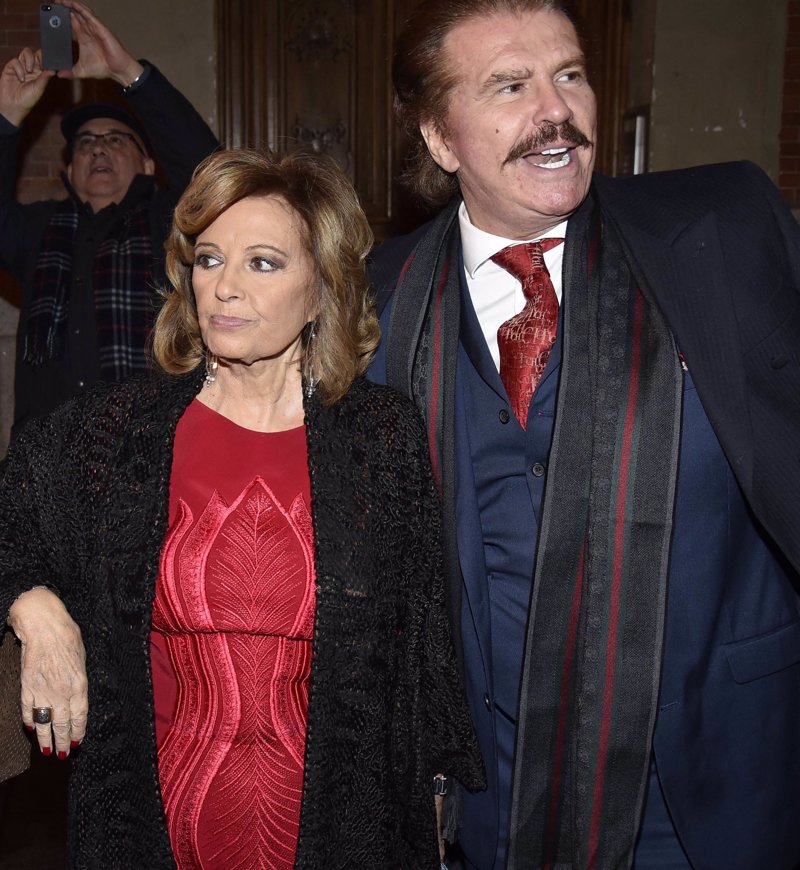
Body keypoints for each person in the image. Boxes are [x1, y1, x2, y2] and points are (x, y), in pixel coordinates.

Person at [368, 1, 800, 868]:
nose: (555, 110)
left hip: (719, 785)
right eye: (510, 86)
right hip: (488, 800)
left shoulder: (720, 229)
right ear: (441, 139)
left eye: (569, 75)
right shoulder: (379, 298)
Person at [0, 147, 484, 868]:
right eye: (208, 260)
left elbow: (424, 638)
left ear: (322, 289)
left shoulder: (381, 437)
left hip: (340, 831)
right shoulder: (113, 433)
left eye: (262, 263)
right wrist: (37, 611)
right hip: (150, 831)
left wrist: (436, 787)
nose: (224, 287)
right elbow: (12, 519)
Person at [0, 0, 218, 435]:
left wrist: (126, 72)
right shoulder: (37, 230)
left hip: (145, 450)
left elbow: (213, 175)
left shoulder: (168, 222)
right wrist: (5, 118)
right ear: (68, 170)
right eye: (85, 143)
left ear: (148, 165)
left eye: (116, 139)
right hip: (46, 456)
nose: (98, 147)